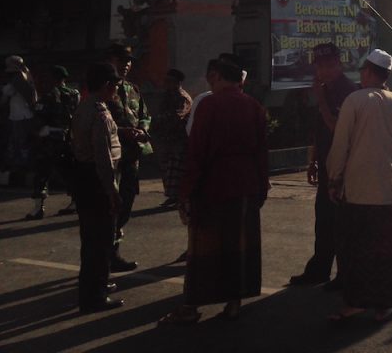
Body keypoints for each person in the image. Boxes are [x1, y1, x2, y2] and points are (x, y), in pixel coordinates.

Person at [159, 53, 269, 325]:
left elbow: (196, 152)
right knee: (238, 247)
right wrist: (261, 187)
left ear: (219, 77)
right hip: (245, 185)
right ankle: (234, 303)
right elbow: (262, 152)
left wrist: (186, 191)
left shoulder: (209, 105)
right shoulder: (253, 106)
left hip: (213, 185)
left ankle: (191, 306)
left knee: (204, 249)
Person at [325, 49, 392, 325]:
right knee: (386, 253)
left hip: (358, 192)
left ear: (367, 72)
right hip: (389, 193)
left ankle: (354, 303)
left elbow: (340, 145)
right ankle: (384, 305)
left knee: (355, 251)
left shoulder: (354, 101)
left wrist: (334, 178)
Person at [290, 42, 357, 290]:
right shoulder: (324, 88)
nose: (324, 70)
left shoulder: (346, 91)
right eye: (320, 66)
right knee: (324, 221)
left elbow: (337, 130)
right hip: (326, 164)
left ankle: (345, 275)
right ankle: (319, 270)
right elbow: (319, 131)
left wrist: (320, 100)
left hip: (342, 169)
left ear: (339, 64)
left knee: (341, 223)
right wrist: (313, 161)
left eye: (329, 65)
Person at [72, 62, 124, 313]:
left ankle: (93, 286)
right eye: (114, 86)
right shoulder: (99, 112)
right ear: (107, 86)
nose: (116, 90)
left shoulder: (83, 106)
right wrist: (112, 190)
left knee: (90, 239)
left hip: (84, 178)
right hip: (97, 180)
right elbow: (103, 157)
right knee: (101, 241)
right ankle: (95, 295)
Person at [104, 43, 149, 268]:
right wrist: (123, 132)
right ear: (110, 61)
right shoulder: (101, 89)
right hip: (111, 156)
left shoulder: (133, 89)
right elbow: (98, 121)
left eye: (129, 61)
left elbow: (144, 114)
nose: (126, 65)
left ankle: (113, 251)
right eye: (121, 61)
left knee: (126, 203)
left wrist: (143, 129)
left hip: (131, 156)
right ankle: (107, 255)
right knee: (111, 205)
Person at [25, 65, 80, 220]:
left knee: (42, 172)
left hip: (50, 139)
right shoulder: (74, 94)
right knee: (69, 171)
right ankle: (75, 202)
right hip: (69, 139)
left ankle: (38, 208)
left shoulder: (49, 96)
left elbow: (39, 117)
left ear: (53, 78)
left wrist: (36, 132)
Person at [150, 68, 192, 208]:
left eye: (169, 81)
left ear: (177, 82)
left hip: (178, 140)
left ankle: (179, 197)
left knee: (176, 171)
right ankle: (172, 196)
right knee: (167, 170)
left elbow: (177, 116)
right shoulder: (168, 95)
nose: (165, 84)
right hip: (167, 139)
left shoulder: (182, 97)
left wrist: (157, 120)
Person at [3, 55, 38, 186]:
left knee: (19, 144)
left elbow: (6, 95)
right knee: (22, 143)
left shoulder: (17, 79)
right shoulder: (26, 75)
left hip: (19, 116)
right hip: (24, 115)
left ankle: (20, 168)